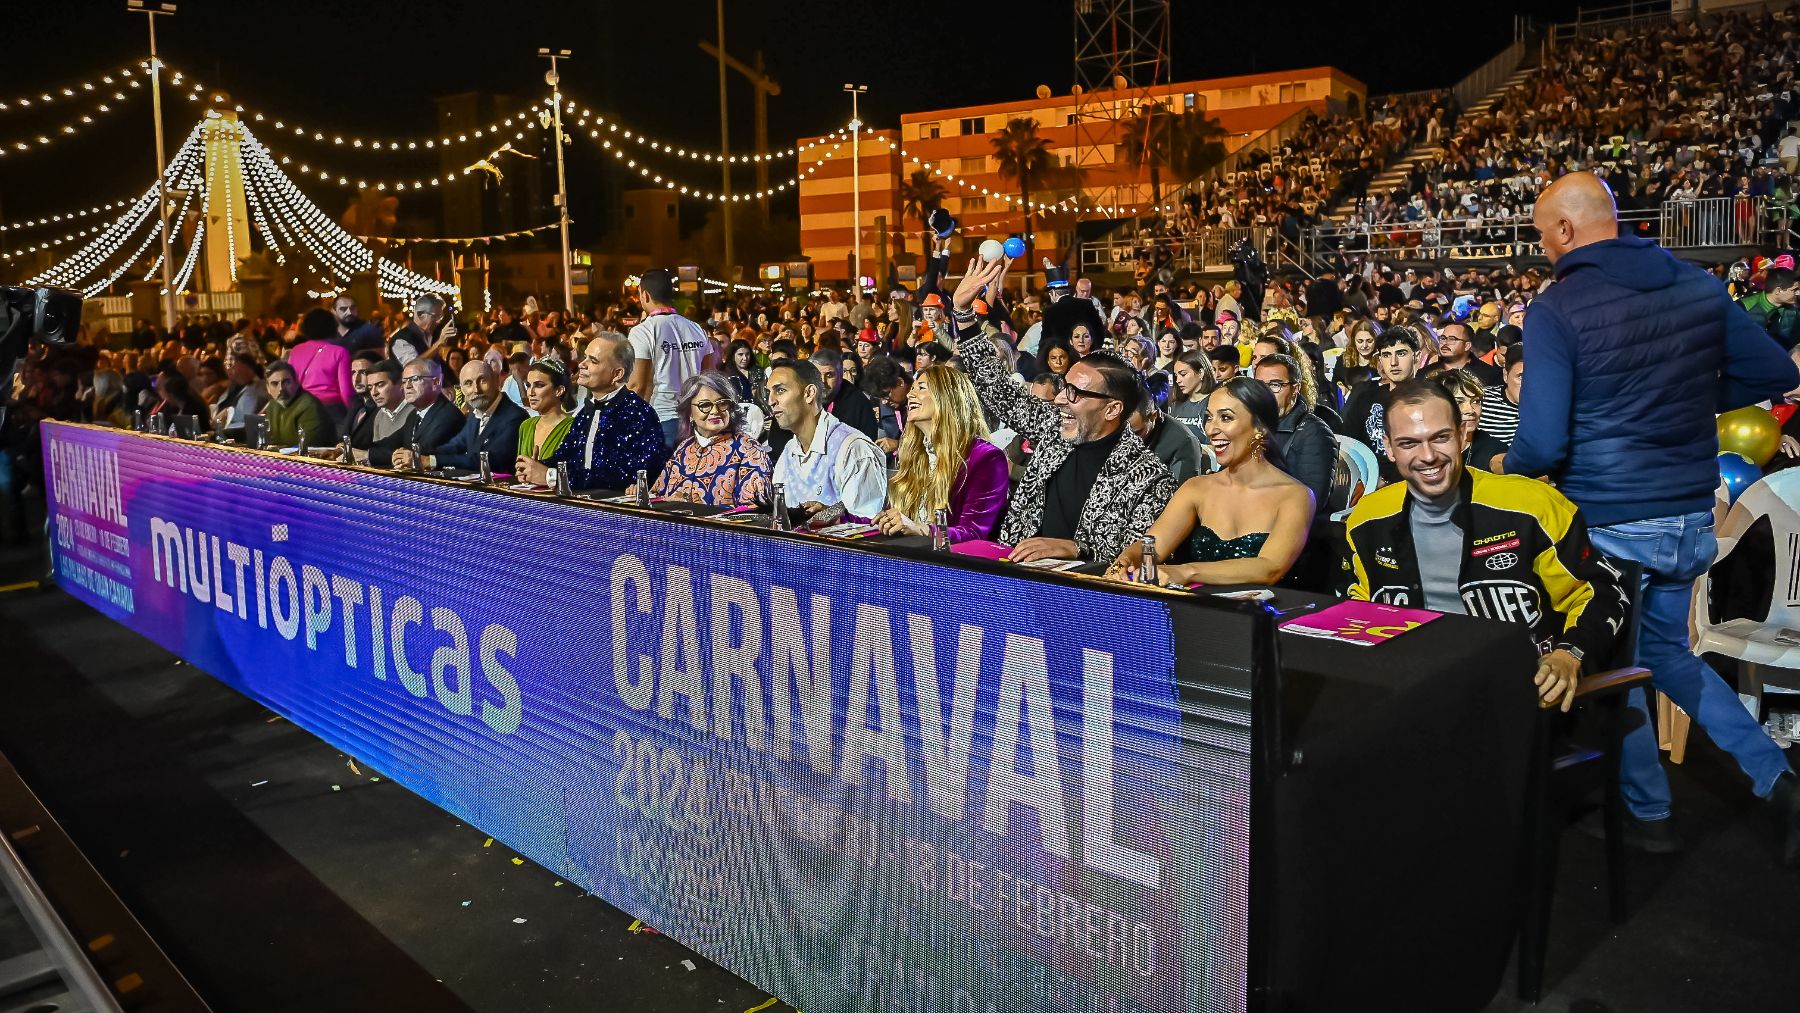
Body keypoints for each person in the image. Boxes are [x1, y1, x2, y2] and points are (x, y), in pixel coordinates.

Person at [1506, 171, 1800, 859]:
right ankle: (1778, 780)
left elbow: (1543, 441)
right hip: (1690, 518)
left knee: (1617, 670)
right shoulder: (1697, 284)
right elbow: (1770, 371)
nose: (1545, 247)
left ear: (1568, 230)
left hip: (1612, 520)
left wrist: (1503, 474)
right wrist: (1697, 392)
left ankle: (1650, 813)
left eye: (1544, 233)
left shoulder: (1559, 305)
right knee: (1666, 654)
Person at [1344, 378, 1624, 714]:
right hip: (1410, 689)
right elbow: (1360, 601)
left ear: (1462, 435)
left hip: (1517, 697)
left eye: (1440, 437)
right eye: (1409, 443)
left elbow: (1603, 592)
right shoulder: (1367, 518)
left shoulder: (1531, 506)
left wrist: (1569, 654)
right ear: (1388, 448)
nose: (1428, 455)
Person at [951, 257, 1176, 565]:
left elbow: (1142, 555)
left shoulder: (1149, 477)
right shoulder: (1053, 429)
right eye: (1063, 388)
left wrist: (1077, 548)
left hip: (1084, 602)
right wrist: (963, 314)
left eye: (1074, 393)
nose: (1059, 400)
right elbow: (998, 389)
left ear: (1112, 409)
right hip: (1016, 585)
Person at [1107, 377, 1312, 585]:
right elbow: (1152, 545)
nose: (1211, 429)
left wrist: (1186, 572)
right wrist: (1125, 561)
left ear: (1260, 428)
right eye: (1208, 417)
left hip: (1264, 613)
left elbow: (1270, 567)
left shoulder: (1295, 495)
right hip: (1199, 610)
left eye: (1225, 418)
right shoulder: (1196, 488)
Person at [873, 364, 1010, 541]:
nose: (909, 395)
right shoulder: (916, 453)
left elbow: (973, 534)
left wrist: (921, 530)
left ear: (947, 396)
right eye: (912, 388)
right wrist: (837, 516)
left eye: (921, 388)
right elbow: (901, 521)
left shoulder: (986, 458)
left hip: (956, 566)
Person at [519, 332, 666, 492]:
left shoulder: (640, 414)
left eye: (593, 361)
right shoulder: (586, 411)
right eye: (585, 357)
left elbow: (622, 477)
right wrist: (535, 468)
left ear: (617, 374)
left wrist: (551, 476)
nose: (582, 364)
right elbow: (566, 456)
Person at [768, 357, 888, 524]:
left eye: (780, 390)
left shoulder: (852, 448)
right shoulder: (789, 450)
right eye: (769, 392)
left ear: (809, 393)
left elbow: (868, 527)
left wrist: (832, 516)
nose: (771, 401)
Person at [649, 371, 772, 506]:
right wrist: (641, 492)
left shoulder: (749, 449)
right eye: (705, 405)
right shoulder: (684, 448)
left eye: (722, 403)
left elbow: (754, 510)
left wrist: (696, 506)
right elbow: (658, 494)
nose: (715, 411)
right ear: (689, 412)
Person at [628, 268, 719, 448]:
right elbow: (709, 377)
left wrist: (631, 423)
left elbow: (638, 385)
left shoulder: (642, 332)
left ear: (644, 295)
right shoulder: (697, 329)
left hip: (660, 420)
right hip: (694, 419)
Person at [1252, 353, 1334, 513]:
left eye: (1275, 385)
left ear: (1295, 389)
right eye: (1260, 386)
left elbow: (1310, 501)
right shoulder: (1251, 425)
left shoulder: (1315, 433)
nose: (1266, 394)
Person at [1339, 325, 1421, 478]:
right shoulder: (1366, 398)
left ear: (1417, 356)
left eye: (1401, 353)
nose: (1393, 362)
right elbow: (1347, 445)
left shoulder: (1431, 400)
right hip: (1368, 482)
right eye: (1386, 355)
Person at [418, 360, 527, 474]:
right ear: (461, 389)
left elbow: (489, 460)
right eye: (468, 383)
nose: (476, 390)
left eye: (483, 381)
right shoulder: (476, 413)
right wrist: (419, 455)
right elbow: (455, 445)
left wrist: (432, 460)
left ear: (496, 380)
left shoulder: (514, 417)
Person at [375, 358, 460, 470]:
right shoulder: (414, 414)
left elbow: (421, 452)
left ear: (436, 383)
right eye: (404, 381)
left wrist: (367, 455)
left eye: (414, 379)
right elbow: (391, 442)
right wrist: (356, 450)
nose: (407, 386)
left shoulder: (448, 416)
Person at [287, 308, 356, 427]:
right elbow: (346, 391)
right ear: (332, 326)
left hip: (303, 408)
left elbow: (291, 383)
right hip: (332, 410)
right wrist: (353, 412)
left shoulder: (296, 351)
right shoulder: (340, 352)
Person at [1127, 387, 1207, 485]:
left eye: (1137, 433)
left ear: (1153, 417)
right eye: (1123, 432)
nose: (1129, 438)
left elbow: (1181, 495)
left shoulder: (1184, 443)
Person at [1434, 369, 1507, 472]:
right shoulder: (1425, 449)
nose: (1470, 410)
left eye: (1476, 401)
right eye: (1458, 402)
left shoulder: (1495, 449)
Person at [514, 359, 577, 472]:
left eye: (539, 385)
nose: (530, 392)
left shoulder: (573, 427)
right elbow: (520, 469)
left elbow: (574, 473)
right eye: (528, 385)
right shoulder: (526, 426)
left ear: (559, 390)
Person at [342, 359, 410, 463]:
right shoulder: (379, 415)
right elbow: (377, 452)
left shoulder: (414, 411)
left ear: (401, 385)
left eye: (380, 385)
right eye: (370, 387)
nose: (374, 393)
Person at [810, 348, 880, 439]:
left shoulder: (859, 403)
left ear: (840, 375)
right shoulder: (802, 396)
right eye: (817, 375)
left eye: (829, 375)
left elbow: (868, 443)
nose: (823, 381)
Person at [261, 361, 334, 447]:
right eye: (274, 384)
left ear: (296, 382)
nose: (281, 389)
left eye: (286, 382)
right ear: (268, 388)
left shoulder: (309, 406)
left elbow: (308, 446)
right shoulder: (273, 404)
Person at [1420, 320, 1502, 386]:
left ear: (1467, 346)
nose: (1445, 343)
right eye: (1443, 338)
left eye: (1452, 339)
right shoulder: (1424, 373)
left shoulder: (1489, 375)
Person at [861, 355, 912, 456]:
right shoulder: (887, 404)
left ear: (900, 382)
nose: (884, 402)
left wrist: (899, 444)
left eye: (886, 395)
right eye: (880, 398)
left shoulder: (923, 401)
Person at [1739, 266, 1799, 347]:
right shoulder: (1743, 307)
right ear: (1778, 290)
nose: (1798, 293)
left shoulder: (1793, 312)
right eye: (1795, 290)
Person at [1479, 349, 1525, 448]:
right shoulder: (1483, 399)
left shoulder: (1544, 408)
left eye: (1533, 377)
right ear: (1505, 375)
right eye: (1521, 377)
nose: (1527, 384)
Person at [213, 354, 267, 437]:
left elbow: (243, 420)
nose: (228, 369)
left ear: (247, 367)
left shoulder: (259, 389)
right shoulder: (234, 386)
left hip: (237, 435)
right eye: (226, 364)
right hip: (221, 431)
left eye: (231, 365)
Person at [390, 294, 450, 365]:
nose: (439, 321)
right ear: (420, 314)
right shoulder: (401, 338)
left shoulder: (435, 334)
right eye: (434, 316)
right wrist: (439, 343)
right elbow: (414, 365)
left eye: (440, 317)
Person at [1168, 349, 1215, 432]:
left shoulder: (1214, 403)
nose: (1178, 380)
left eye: (1183, 374)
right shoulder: (1176, 405)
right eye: (1176, 375)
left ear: (1201, 373)